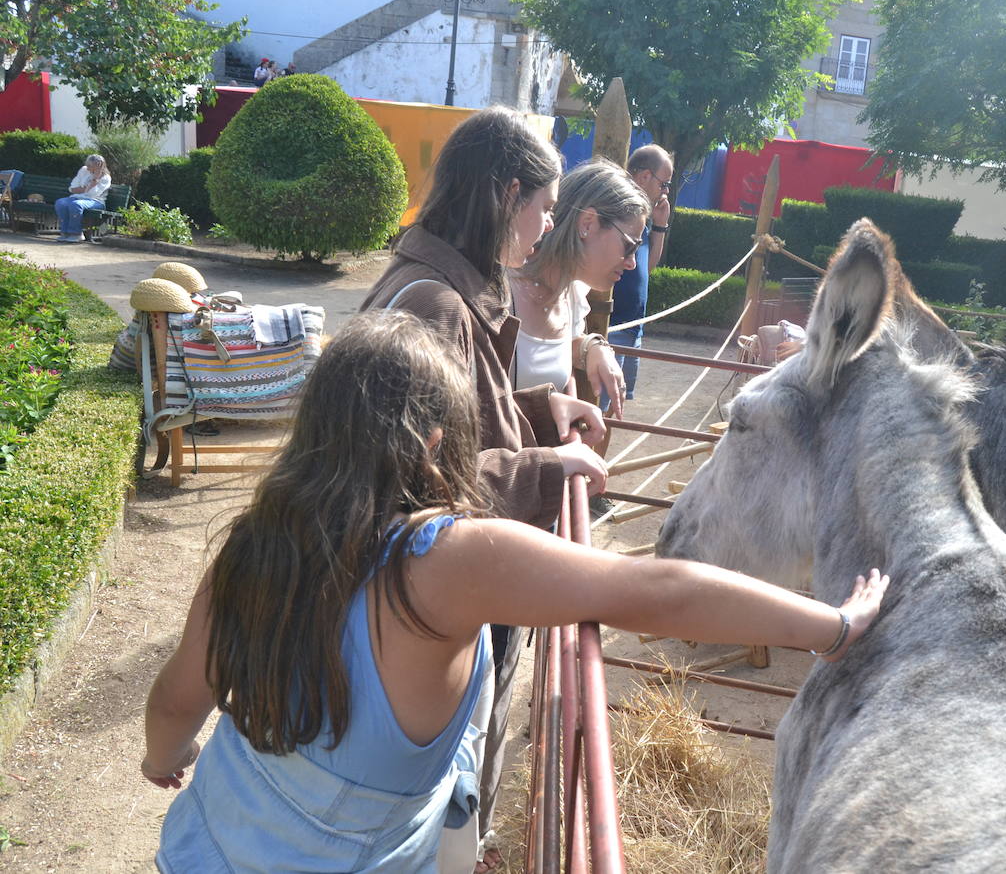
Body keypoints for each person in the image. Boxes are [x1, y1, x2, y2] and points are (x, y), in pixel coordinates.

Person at [141, 311, 889, 872]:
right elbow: (655, 591)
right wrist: (832, 625)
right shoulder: (446, 562)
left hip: (203, 846)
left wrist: (163, 755)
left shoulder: (254, 545)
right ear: (436, 443)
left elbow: (178, 698)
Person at [357, 106, 607, 872]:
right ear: (508, 195)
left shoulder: (437, 288)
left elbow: (457, 425)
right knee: (435, 799)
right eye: (543, 207)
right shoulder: (435, 305)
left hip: (419, 594)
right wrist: (548, 466)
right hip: (423, 601)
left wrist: (539, 410)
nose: (545, 227)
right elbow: (418, 476)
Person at [511, 159, 650, 417]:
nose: (632, 263)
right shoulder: (503, 290)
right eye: (630, 245)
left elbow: (554, 357)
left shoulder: (571, 291)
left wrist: (592, 347)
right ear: (587, 223)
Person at [607, 144, 674, 402]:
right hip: (613, 325)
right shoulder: (621, 209)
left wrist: (659, 226)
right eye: (664, 183)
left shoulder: (641, 212)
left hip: (633, 328)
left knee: (617, 405)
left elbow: (647, 267)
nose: (666, 191)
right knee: (601, 404)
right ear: (645, 176)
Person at [54, 154, 110, 242]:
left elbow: (93, 194)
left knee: (76, 205)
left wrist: (95, 179)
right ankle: (65, 233)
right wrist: (86, 188)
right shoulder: (83, 170)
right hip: (76, 197)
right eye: (87, 165)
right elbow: (72, 188)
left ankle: (76, 234)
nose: (87, 168)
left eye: (90, 166)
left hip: (96, 201)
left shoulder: (105, 178)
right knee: (60, 203)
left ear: (98, 166)